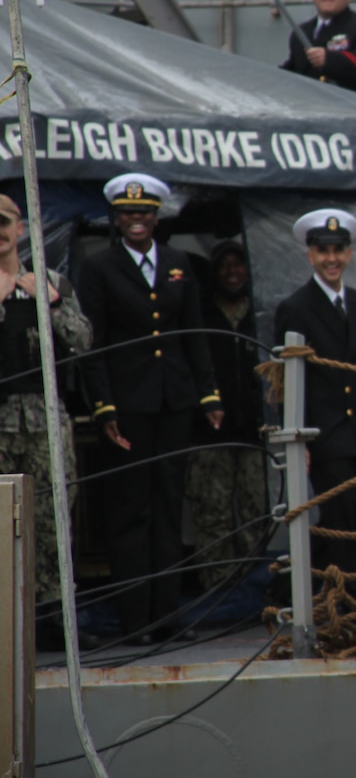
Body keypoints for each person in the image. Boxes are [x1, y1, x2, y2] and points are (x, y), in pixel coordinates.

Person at [77, 173, 222, 645]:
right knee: (131, 512)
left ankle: (167, 617)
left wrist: (209, 393)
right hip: (128, 404)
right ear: (116, 220)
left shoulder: (179, 264)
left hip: (173, 400)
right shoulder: (99, 268)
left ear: (156, 218)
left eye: (143, 214)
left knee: (167, 508)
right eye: (127, 215)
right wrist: (102, 406)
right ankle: (135, 621)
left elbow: (193, 334)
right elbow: (91, 342)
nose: (136, 221)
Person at [274, 209, 356, 623]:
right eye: (323, 251)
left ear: (348, 254)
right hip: (323, 435)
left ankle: (300, 589)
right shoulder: (295, 308)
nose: (331, 258)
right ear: (310, 255)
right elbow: (284, 381)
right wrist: (298, 439)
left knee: (347, 518)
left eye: (338, 250)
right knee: (342, 521)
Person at [0, 194, 92, 650]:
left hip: (44, 421)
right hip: (1, 422)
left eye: (5, 222)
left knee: (52, 519)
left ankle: (54, 619)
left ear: (20, 230)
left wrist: (49, 303)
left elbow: (84, 341)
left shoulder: (50, 281)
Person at [186, 240, 267, 591]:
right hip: (209, 434)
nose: (232, 272)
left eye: (238, 264)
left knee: (257, 512)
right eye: (224, 266)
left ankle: (255, 589)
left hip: (254, 433)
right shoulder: (201, 315)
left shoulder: (259, 316)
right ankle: (218, 590)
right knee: (212, 513)